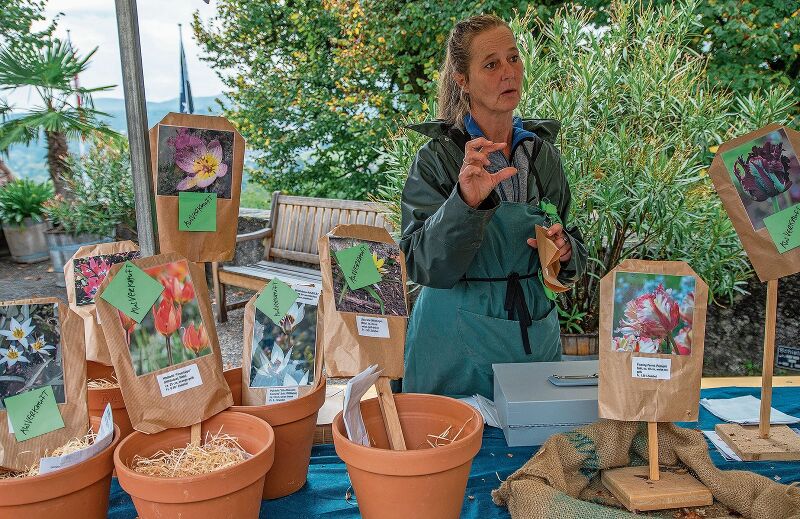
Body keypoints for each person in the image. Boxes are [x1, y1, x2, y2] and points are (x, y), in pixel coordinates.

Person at [400, 14, 587, 399]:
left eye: (513, 58)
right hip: (452, 344)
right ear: (462, 81)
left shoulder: (542, 155)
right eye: (491, 64)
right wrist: (465, 201)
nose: (509, 72)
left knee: (539, 450)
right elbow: (420, 263)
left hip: (532, 334)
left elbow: (572, 250)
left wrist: (565, 251)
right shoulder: (438, 158)